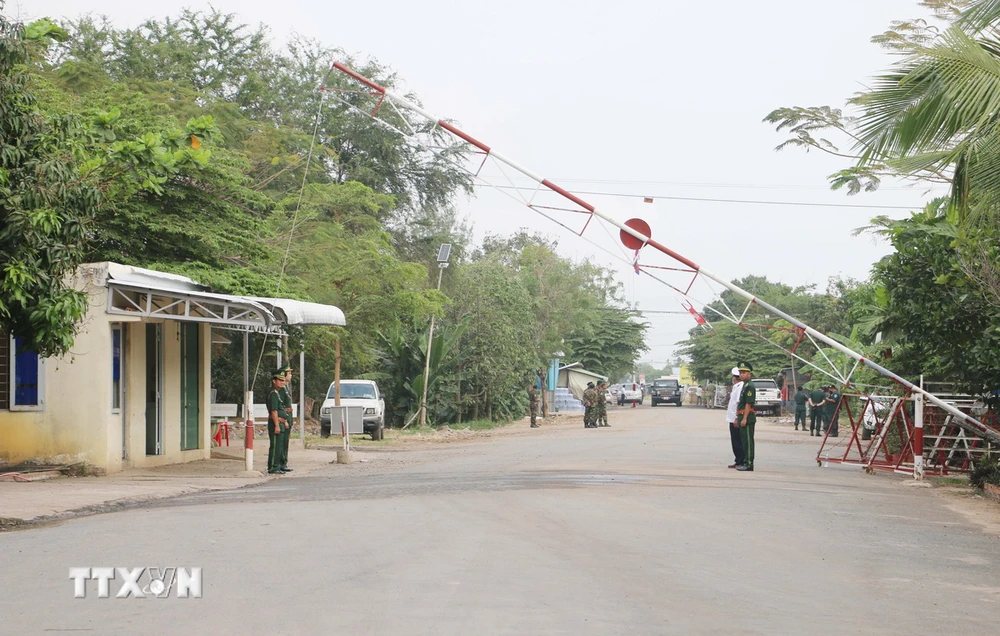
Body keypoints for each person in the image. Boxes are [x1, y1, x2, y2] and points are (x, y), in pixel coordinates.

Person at [734, 361, 757, 472]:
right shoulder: (745, 385)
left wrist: (744, 418)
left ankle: (749, 464)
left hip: (747, 416)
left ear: (749, 374)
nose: (741, 374)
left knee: (748, 442)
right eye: (740, 372)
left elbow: (748, 403)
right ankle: (745, 462)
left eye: (744, 372)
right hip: (742, 415)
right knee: (744, 441)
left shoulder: (750, 386)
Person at [266, 371, 289, 475]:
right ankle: (273, 467)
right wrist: (276, 425)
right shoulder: (273, 394)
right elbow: (274, 411)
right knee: (275, 446)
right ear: (274, 381)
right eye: (280, 380)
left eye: (283, 380)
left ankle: (277, 466)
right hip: (276, 422)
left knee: (279, 446)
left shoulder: (277, 393)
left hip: (281, 422)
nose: (282, 382)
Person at [726, 367, 745, 469]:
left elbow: (739, 403)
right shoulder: (736, 386)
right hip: (732, 417)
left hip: (735, 418)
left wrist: (737, 418)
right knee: (735, 440)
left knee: (737, 440)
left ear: (735, 377)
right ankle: (738, 460)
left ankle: (740, 461)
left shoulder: (740, 387)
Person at [278, 364, 294, 472]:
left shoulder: (286, 388)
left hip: (288, 417)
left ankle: (284, 463)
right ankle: (280, 464)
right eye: (289, 373)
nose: (291, 375)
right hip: (284, 418)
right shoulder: (281, 389)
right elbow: (281, 406)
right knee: (281, 443)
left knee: (285, 442)